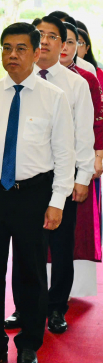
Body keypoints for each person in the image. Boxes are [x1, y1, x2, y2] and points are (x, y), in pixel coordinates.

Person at [0, 22, 74, 363]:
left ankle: (28, 345)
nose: (12, 55)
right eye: (6, 48)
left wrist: (57, 201)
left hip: (34, 195)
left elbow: (64, 155)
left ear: (37, 52)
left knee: (32, 275)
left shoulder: (54, 98)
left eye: (21, 48)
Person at [5, 16, 95, 335]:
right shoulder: (14, 82)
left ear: (63, 44)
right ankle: (23, 307)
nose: (44, 40)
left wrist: (82, 177)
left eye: (52, 36)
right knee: (24, 248)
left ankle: (56, 308)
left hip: (63, 181)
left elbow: (85, 136)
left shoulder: (76, 84)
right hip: (24, 181)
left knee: (59, 246)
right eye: (39, 34)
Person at [72, 27, 103, 300]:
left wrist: (98, 156)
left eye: (75, 41)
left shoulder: (87, 76)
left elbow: (95, 124)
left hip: (79, 161)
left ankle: (63, 296)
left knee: (75, 227)